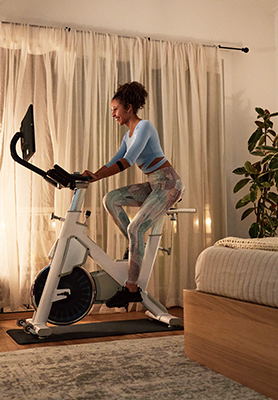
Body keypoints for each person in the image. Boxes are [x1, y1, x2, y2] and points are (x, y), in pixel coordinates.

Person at [82, 81, 185, 308]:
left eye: (115, 109)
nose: (113, 114)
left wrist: (97, 177)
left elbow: (126, 162)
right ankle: (134, 246)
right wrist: (93, 175)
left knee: (135, 228)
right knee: (110, 199)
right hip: (154, 184)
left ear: (129, 107)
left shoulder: (144, 127)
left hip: (169, 184)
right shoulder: (127, 136)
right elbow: (113, 161)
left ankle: (131, 289)